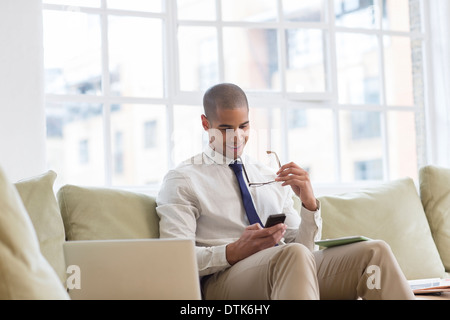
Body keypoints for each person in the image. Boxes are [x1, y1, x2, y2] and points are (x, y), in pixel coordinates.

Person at [156, 83, 415, 300]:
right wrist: (233, 251)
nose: (237, 137)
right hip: (222, 281)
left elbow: (303, 249)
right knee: (290, 255)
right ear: (205, 123)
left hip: (285, 267)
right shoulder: (183, 179)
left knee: (374, 251)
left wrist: (309, 204)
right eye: (225, 128)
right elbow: (173, 259)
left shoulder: (268, 175)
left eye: (244, 126)